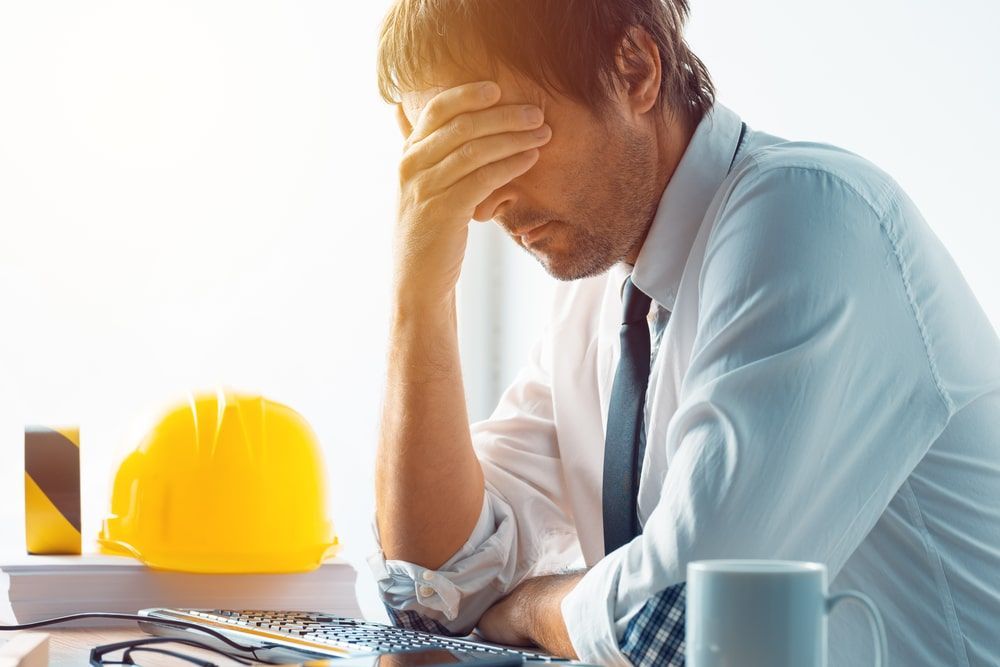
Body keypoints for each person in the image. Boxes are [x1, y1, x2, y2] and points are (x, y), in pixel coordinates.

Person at [366, 1, 1000, 665]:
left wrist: (528, 606)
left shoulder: (807, 219)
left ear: (635, 69)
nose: (484, 204)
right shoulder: (597, 301)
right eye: (452, 163)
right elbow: (433, 590)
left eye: (493, 140)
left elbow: (681, 623)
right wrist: (420, 292)